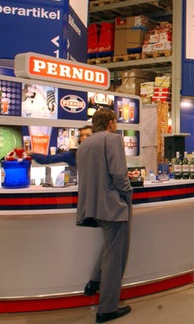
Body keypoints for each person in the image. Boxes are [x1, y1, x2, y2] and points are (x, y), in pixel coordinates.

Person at [76, 109, 133, 323]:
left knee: (110, 246)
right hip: (112, 205)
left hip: (92, 207)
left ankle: (94, 281)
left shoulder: (85, 144)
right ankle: (107, 308)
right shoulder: (112, 140)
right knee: (115, 257)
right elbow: (119, 174)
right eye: (116, 122)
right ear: (110, 123)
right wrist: (128, 192)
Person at [28, 126, 93, 167]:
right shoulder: (72, 155)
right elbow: (48, 159)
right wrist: (32, 154)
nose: (84, 138)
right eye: (81, 135)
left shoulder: (100, 154)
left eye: (88, 135)